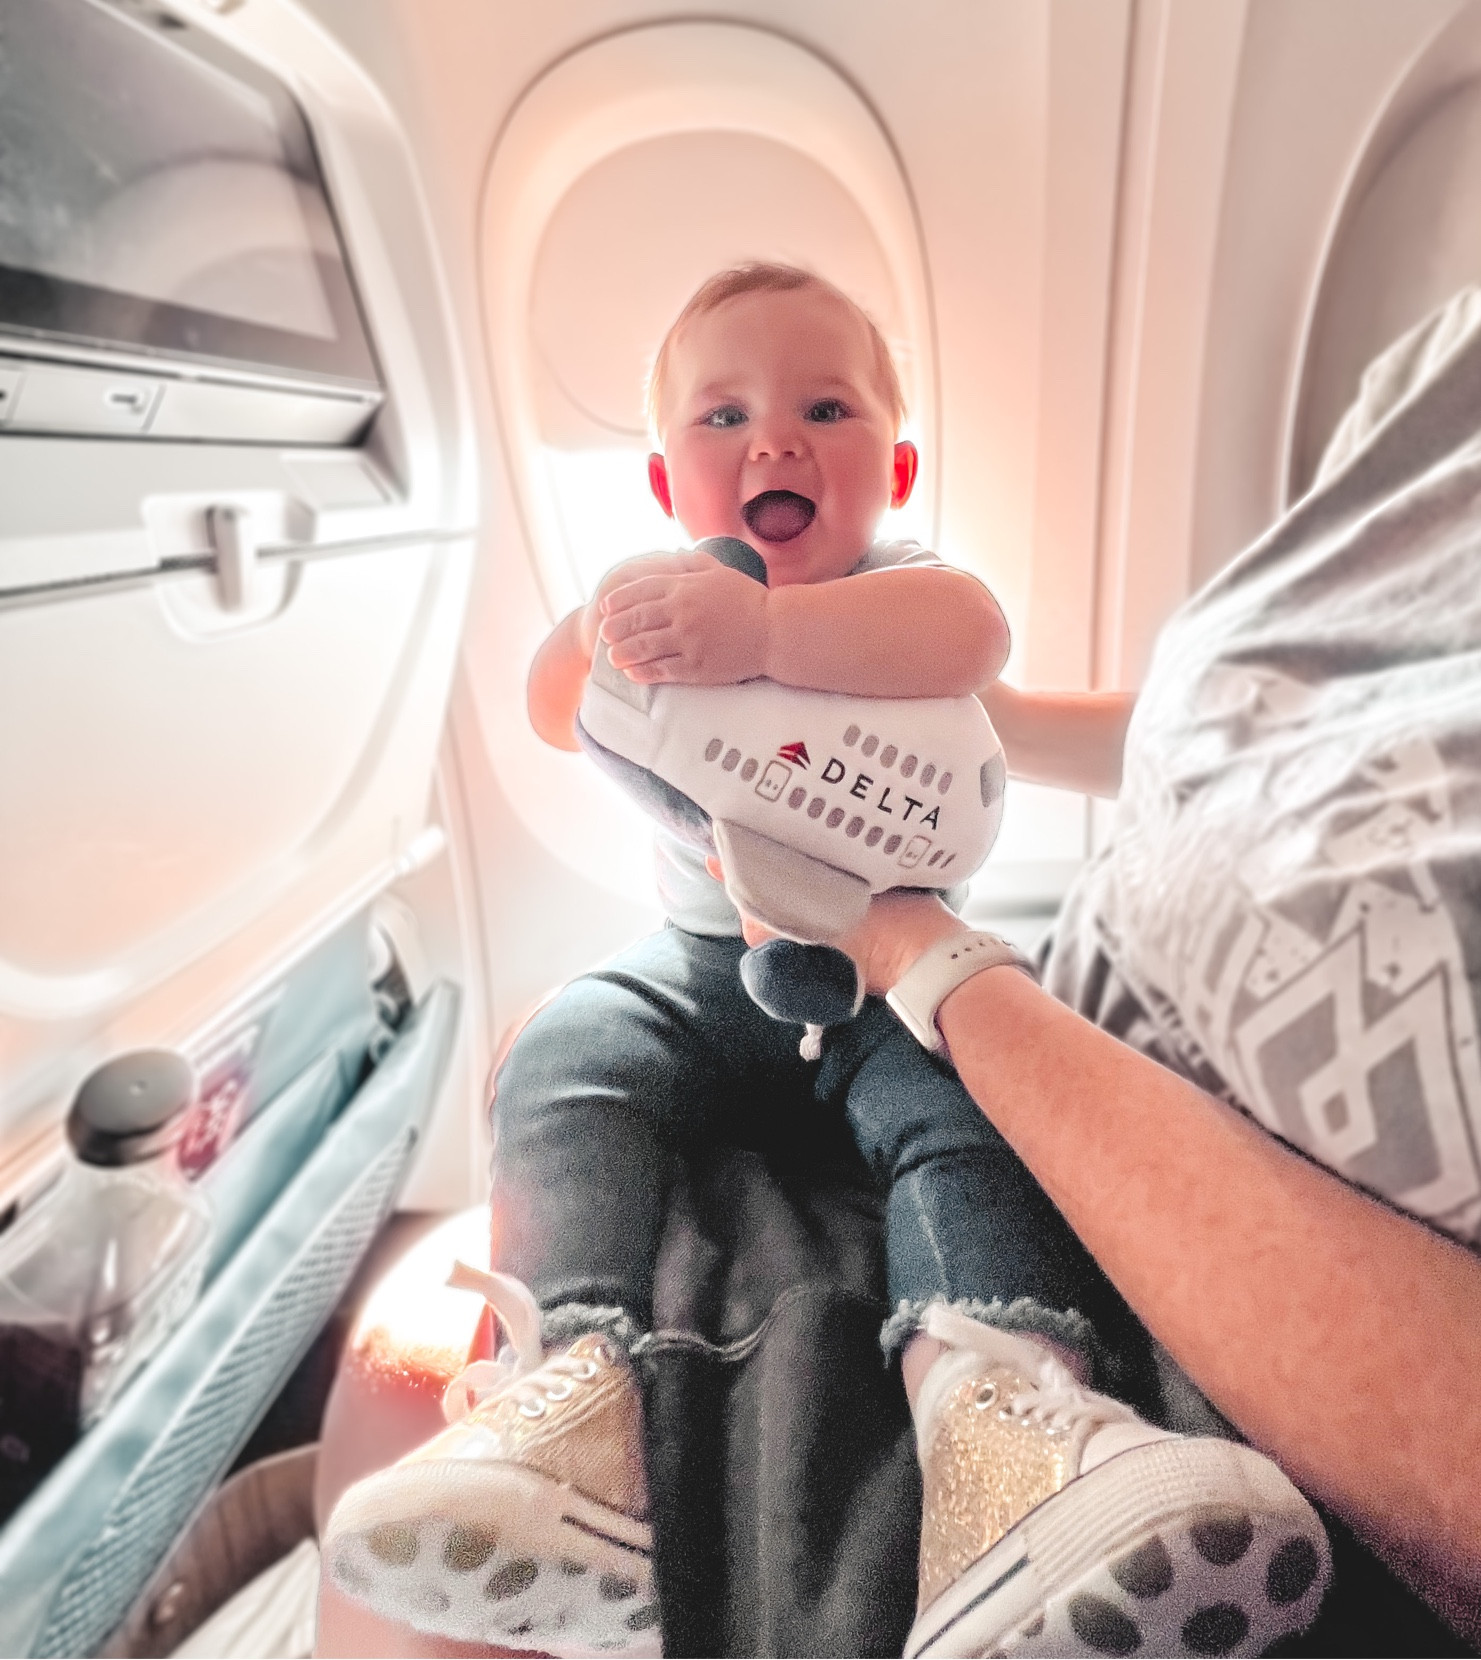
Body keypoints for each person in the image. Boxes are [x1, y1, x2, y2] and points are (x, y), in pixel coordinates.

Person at [321, 263, 1331, 1658]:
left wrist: (772, 633)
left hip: (882, 985)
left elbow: (972, 642)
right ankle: (562, 1396)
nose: (773, 442)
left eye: (823, 407)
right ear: (668, 482)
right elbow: (556, 709)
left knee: (965, 1113)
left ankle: (1000, 1416)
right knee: (567, 1053)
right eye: (721, 418)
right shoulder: (659, 601)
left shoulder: (901, 597)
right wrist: (623, 622)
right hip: (699, 972)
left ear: (894, 467)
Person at [804, 290, 1481, 1650]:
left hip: (1246, 1409)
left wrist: (910, 946)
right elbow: (1262, 730)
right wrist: (973, 738)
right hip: (1045, 1048)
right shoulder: (1441, 362)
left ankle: (1001, 1446)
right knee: (567, 1060)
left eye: (825, 408)